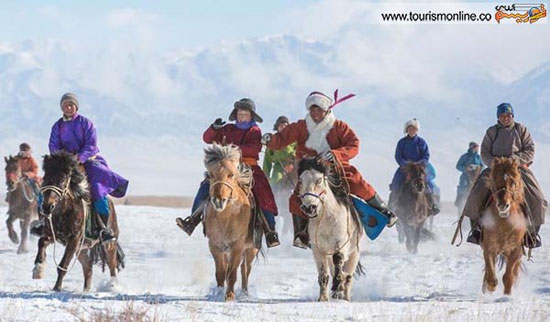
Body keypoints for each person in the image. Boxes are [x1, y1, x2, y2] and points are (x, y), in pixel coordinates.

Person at [262, 91, 397, 249]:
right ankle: (301, 234)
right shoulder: (300, 126)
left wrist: (336, 154)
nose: (315, 113)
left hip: (335, 167)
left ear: (326, 110)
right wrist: (271, 140)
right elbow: (282, 138)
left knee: (356, 181)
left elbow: (354, 144)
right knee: (296, 197)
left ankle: (383, 211)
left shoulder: (339, 127)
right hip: (309, 169)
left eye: (318, 109)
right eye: (312, 109)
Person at [176, 98, 280, 248]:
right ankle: (192, 220)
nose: (242, 116)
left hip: (247, 167)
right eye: (239, 113)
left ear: (251, 116)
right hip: (225, 167)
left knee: (263, 192)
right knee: (206, 185)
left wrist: (233, 150)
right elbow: (207, 139)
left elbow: (254, 149)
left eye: (245, 114)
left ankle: (270, 230)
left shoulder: (255, 131)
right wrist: (213, 128)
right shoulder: (227, 129)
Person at [32, 93, 129, 243]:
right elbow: (53, 145)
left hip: (87, 161)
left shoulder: (86, 123)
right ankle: (42, 223)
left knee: (97, 189)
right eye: (65, 105)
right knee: (46, 187)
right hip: (65, 164)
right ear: (61, 108)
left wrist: (79, 158)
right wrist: (63, 159)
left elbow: (91, 144)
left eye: (71, 105)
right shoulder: (57, 126)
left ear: (76, 106)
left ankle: (104, 228)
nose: (68, 107)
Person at [463, 103, 547, 248]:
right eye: (502, 116)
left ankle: (532, 234)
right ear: (498, 117)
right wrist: (495, 162)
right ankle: (476, 230)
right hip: (495, 170)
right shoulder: (492, 131)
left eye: (508, 115)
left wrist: (516, 159)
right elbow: (484, 153)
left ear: (512, 116)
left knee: (538, 198)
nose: (506, 118)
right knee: (476, 194)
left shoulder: (521, 130)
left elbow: (529, 150)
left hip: (517, 169)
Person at [389, 119, 440, 215]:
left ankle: (432, 205)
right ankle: (392, 205)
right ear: (406, 130)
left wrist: (420, 164)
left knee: (429, 184)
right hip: (404, 169)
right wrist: (406, 165)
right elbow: (398, 156)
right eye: (410, 129)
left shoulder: (421, 142)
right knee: (396, 183)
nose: (412, 130)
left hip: (419, 169)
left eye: (414, 129)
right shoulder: (401, 142)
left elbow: (426, 155)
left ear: (417, 130)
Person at [262, 116, 297, 190]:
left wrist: (292, 163)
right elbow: (267, 160)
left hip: (293, 165)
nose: (284, 128)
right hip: (279, 167)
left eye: (286, 126)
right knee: (275, 181)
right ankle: (275, 198)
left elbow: (299, 151)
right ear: (277, 128)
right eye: (281, 126)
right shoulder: (273, 141)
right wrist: (265, 176)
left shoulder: (294, 140)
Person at [455, 142, 485, 207]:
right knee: (463, 186)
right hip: (466, 176)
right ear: (471, 148)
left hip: (476, 177)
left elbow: (483, 166)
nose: (477, 149)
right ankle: (459, 202)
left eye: (477, 148)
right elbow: (458, 166)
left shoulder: (479, 157)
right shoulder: (464, 157)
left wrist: (478, 168)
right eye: (475, 147)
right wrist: (466, 168)